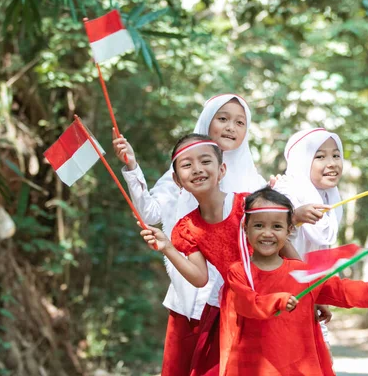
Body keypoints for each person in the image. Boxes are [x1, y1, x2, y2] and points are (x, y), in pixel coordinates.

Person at [113, 94, 266, 376]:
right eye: (223, 119)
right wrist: (132, 168)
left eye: (239, 122)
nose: (231, 127)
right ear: (207, 121)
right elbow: (149, 213)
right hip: (187, 300)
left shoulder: (256, 186)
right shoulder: (184, 170)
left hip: (236, 309)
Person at [139, 134, 300, 376]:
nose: (197, 169)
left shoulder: (248, 206)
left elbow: (285, 248)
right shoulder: (187, 227)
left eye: (205, 161)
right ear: (177, 179)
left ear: (222, 169)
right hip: (229, 312)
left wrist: (310, 293)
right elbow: (200, 278)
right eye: (186, 165)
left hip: (273, 303)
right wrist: (167, 248)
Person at [225, 187, 368, 376]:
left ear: (289, 229)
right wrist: (279, 301)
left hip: (299, 365)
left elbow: (339, 290)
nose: (267, 233)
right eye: (259, 226)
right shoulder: (239, 272)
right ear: (245, 228)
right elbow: (247, 304)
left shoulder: (301, 272)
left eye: (276, 226)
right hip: (256, 366)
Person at [274, 127, 345, 347]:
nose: (332, 163)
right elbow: (268, 238)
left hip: (307, 294)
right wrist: (293, 217)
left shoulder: (331, 199)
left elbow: (320, 254)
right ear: (301, 161)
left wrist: (318, 295)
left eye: (336, 155)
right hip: (280, 296)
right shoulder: (284, 192)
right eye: (320, 156)